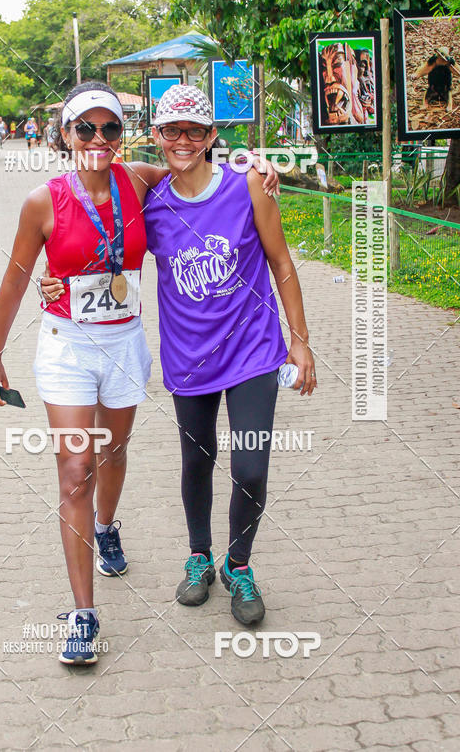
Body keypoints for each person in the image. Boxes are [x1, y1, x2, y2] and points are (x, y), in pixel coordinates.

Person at [0, 82, 174, 666]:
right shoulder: (43, 200)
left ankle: (108, 527)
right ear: (64, 135)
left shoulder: (139, 179)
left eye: (109, 128)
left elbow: (200, 169)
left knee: (114, 452)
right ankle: (84, 615)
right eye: (84, 128)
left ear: (122, 135)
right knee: (76, 469)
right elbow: (16, 280)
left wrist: (260, 169)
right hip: (66, 347)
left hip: (123, 344)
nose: (97, 139)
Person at [143, 84, 316, 626]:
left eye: (195, 130)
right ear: (157, 136)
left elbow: (281, 261)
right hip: (188, 356)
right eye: (172, 130)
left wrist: (301, 339)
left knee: (252, 466)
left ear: (212, 135)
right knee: (198, 460)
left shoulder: (248, 187)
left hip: (253, 353)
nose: (184, 140)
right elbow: (102, 235)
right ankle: (199, 557)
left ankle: (238, 563)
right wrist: (53, 281)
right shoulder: (152, 204)